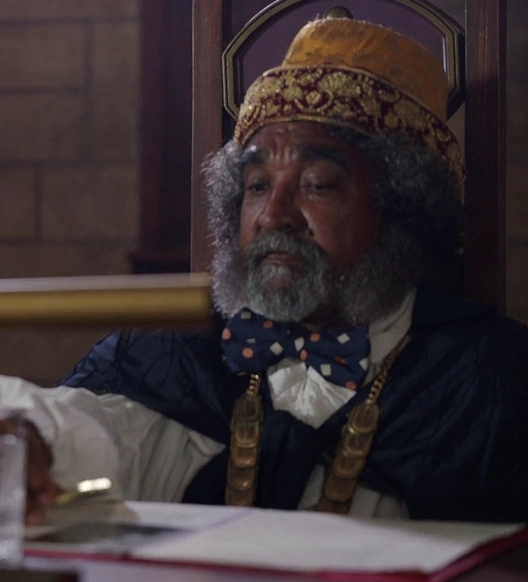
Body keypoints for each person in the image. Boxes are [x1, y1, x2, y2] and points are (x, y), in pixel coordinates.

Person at [1, 16, 528, 524]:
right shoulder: (171, 353)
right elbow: (77, 425)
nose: (274, 216)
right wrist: (28, 440)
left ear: (402, 210)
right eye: (257, 185)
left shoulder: (493, 379)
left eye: (317, 184)